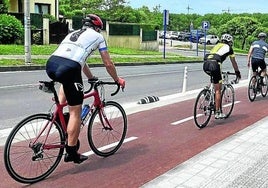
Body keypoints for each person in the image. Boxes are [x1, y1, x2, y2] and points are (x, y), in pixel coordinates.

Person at [46, 14, 125, 164]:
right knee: (76, 110)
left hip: (51, 64)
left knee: (67, 82)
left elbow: (80, 61)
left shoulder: (73, 33)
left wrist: (90, 77)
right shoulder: (98, 37)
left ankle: (60, 117)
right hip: (69, 67)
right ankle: (71, 152)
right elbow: (108, 64)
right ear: (97, 28)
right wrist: (117, 79)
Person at [203, 33, 241, 119]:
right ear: (230, 42)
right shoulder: (230, 49)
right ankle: (217, 112)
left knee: (214, 78)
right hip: (215, 64)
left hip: (206, 63)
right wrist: (237, 72)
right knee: (218, 90)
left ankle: (207, 89)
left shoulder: (217, 45)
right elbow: (233, 62)